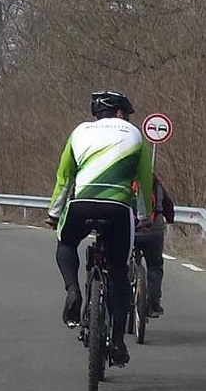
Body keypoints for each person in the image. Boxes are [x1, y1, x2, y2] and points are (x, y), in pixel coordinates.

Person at [46, 90, 152, 366]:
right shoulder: (134, 134)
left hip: (81, 205)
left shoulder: (79, 132)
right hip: (117, 209)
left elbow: (64, 176)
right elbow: (143, 181)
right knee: (118, 270)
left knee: (66, 244)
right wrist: (144, 216)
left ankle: (72, 289)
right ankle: (117, 340)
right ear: (119, 113)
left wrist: (54, 213)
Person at [133, 174, 175, 317]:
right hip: (153, 229)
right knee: (155, 266)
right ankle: (154, 305)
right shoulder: (155, 183)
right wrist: (170, 219)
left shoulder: (124, 181)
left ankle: (120, 299)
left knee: (120, 264)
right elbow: (168, 205)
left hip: (131, 228)